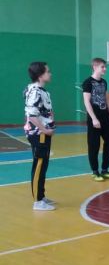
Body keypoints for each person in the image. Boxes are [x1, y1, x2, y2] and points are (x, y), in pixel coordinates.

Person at [23, 62, 56, 211]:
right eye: (48, 71)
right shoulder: (35, 91)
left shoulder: (40, 90)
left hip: (43, 133)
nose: (50, 74)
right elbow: (31, 115)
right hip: (39, 134)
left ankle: (41, 196)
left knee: (43, 165)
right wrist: (44, 130)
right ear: (40, 75)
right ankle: (37, 201)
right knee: (39, 165)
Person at [82, 58, 109, 182]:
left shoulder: (104, 82)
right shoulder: (87, 82)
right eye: (102, 67)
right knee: (94, 145)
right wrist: (94, 118)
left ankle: (105, 170)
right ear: (95, 67)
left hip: (106, 118)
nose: (105, 69)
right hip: (94, 118)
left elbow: (107, 100)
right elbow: (87, 102)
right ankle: (95, 171)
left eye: (105, 67)